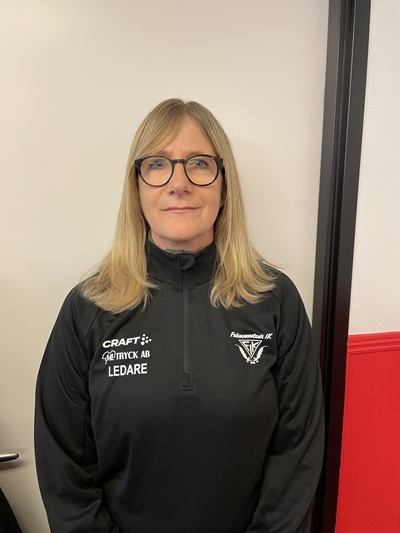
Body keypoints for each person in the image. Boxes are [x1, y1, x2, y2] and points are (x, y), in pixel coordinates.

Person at [35, 98, 324, 533]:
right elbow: (64, 468)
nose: (179, 183)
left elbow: (297, 453)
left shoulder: (275, 300)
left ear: (224, 185)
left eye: (199, 163)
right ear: (136, 187)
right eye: (158, 164)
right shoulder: (88, 307)